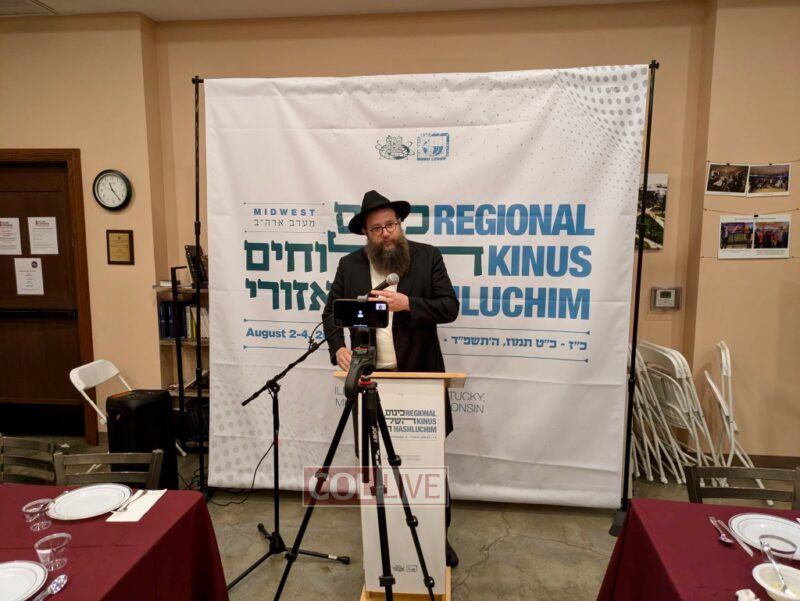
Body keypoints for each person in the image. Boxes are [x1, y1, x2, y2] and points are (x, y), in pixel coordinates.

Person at [322, 189, 461, 567]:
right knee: (376, 463)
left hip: (420, 378)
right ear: (365, 233)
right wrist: (338, 348)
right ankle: (386, 537)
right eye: (377, 228)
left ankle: (437, 536)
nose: (386, 234)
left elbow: (450, 307)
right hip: (371, 382)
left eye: (391, 225)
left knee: (427, 463)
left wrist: (408, 304)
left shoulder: (427, 256)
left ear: (400, 225)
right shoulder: (350, 266)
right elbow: (331, 314)